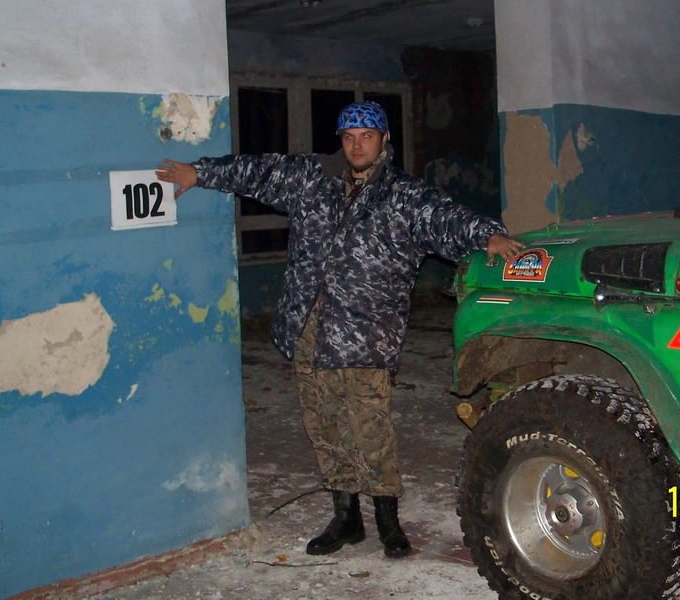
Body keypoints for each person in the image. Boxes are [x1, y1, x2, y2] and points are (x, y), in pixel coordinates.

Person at [156, 101, 524, 559]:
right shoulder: (312, 177)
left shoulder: (404, 195)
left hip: (367, 330)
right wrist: (199, 173)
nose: (357, 146)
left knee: (369, 426)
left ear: (384, 140)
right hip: (309, 324)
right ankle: (345, 517)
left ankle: (387, 519)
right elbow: (257, 171)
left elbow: (447, 218)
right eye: (349, 137)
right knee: (324, 422)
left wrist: (487, 235)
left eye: (367, 136)